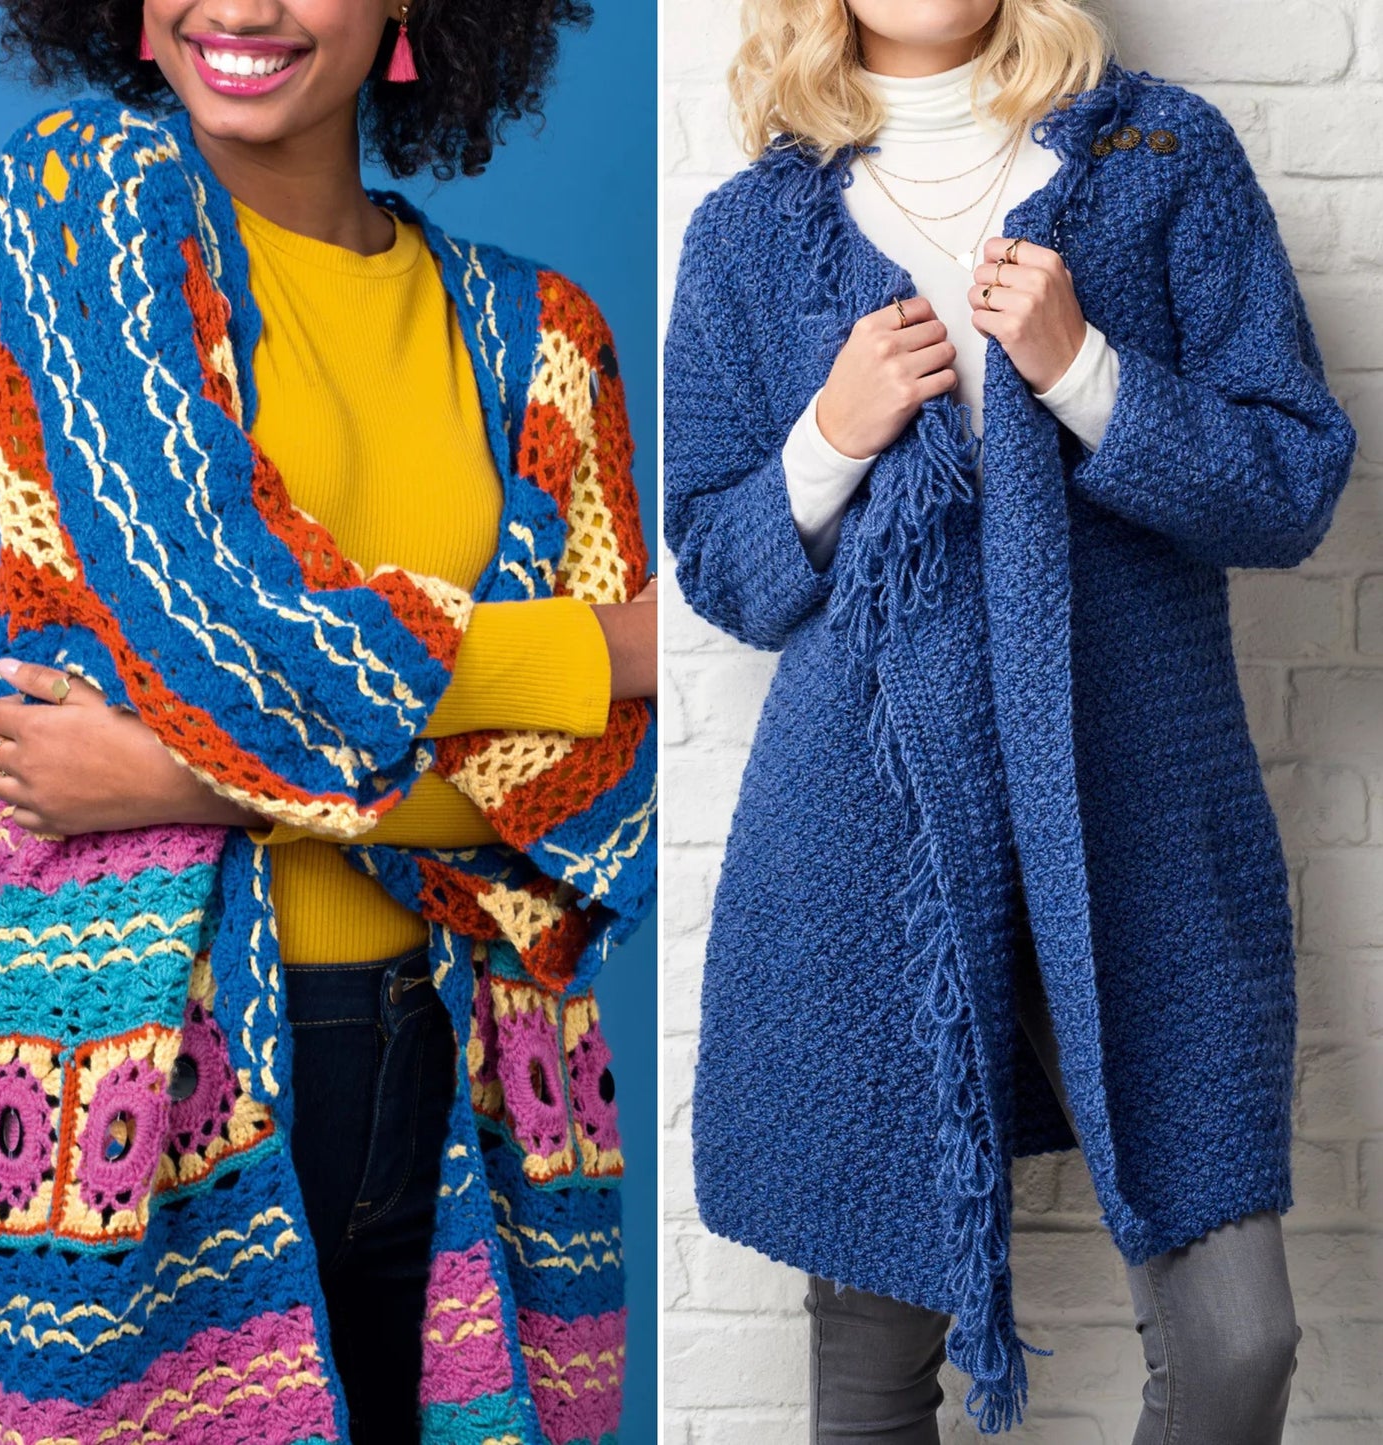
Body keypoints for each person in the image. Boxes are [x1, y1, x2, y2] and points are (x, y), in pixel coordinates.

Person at [0, 4, 657, 1443]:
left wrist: (186, 781)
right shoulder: (83, 209)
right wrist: (604, 648)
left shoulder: (547, 341)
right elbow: (224, 625)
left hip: (478, 1065)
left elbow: (596, 804)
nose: (243, 8)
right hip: (160, 1058)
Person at [664, 0, 1356, 1441]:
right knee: (872, 1368)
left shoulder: (1163, 156)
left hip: (1133, 821)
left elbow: (1288, 485)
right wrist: (829, 436)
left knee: (1238, 1342)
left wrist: (1085, 370)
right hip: (873, 847)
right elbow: (721, 567)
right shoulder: (750, 229)